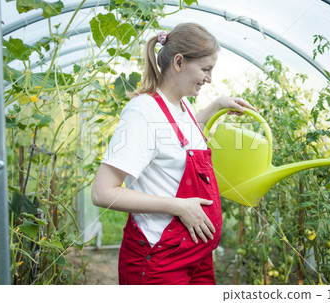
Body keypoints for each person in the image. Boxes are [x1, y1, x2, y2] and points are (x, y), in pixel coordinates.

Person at [91, 23, 256, 285]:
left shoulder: (181, 105)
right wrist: (179, 206)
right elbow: (102, 192)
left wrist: (216, 105)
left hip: (194, 254)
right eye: (205, 69)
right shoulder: (142, 113)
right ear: (178, 62)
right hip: (159, 259)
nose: (209, 79)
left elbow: (177, 141)